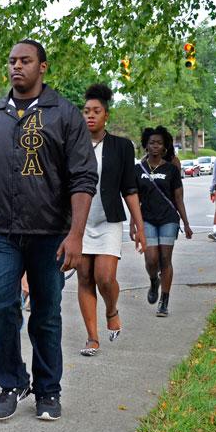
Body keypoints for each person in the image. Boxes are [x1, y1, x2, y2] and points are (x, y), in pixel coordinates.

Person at [0, 39, 96, 422]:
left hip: (49, 235)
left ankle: (47, 389)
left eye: (25, 60)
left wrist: (75, 235)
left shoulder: (65, 114)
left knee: (46, 313)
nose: (16, 67)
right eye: (11, 61)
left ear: (43, 67)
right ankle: (11, 382)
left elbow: (83, 178)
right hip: (1, 233)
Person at [76, 83, 145, 357]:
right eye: (86, 111)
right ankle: (92, 337)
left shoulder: (121, 146)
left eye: (96, 111)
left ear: (106, 115)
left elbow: (129, 188)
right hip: (80, 223)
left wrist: (138, 226)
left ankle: (112, 309)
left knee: (104, 277)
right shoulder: (72, 145)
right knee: (84, 277)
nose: (90, 116)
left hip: (109, 220)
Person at [136, 127, 193, 318]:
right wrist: (134, 225)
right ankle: (154, 280)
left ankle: (164, 301)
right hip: (147, 219)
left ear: (165, 146)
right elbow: (133, 198)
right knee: (151, 259)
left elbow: (178, 198)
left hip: (168, 218)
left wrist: (185, 223)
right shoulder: (138, 169)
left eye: (159, 143)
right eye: (152, 142)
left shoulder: (171, 169)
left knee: (165, 259)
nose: (155, 146)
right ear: (146, 144)